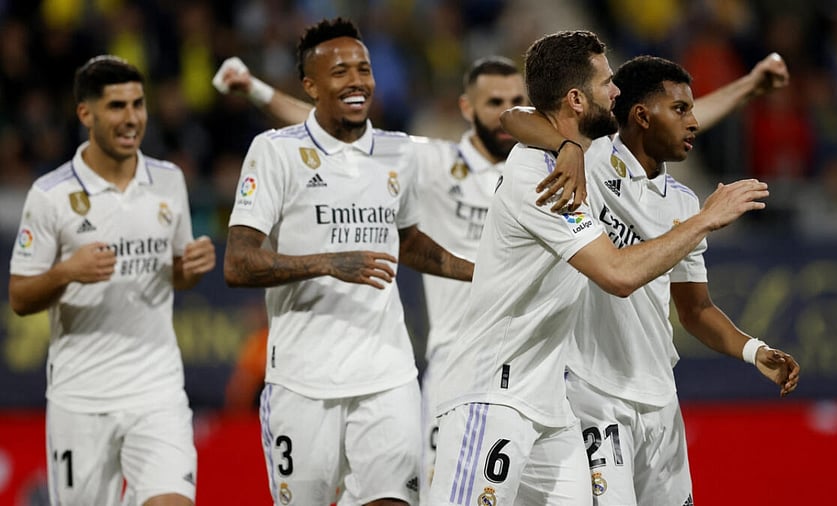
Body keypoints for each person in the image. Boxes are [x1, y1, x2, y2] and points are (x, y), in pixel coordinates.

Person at [428, 30, 769, 505]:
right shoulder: (543, 175)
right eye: (608, 82)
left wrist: (569, 144)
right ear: (575, 97)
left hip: (550, 404)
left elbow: (525, 117)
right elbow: (618, 274)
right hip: (493, 389)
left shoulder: (580, 156)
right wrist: (706, 219)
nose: (616, 92)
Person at [214, 53, 529, 496]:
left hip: (533, 368)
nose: (507, 113)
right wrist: (255, 89)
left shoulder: (541, 172)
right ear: (466, 108)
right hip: (458, 364)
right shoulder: (431, 162)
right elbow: (323, 128)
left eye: (518, 101)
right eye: (495, 101)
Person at [501, 55, 801, 505]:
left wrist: (753, 350)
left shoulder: (682, 202)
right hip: (592, 394)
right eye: (681, 110)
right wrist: (566, 148)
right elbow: (515, 117)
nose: (693, 122)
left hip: (660, 398)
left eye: (692, 110)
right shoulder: (594, 157)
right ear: (642, 116)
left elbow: (695, 310)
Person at [8, 55, 216, 506]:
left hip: (157, 388)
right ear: (86, 113)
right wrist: (68, 271)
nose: (132, 118)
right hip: (82, 396)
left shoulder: (168, 180)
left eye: (138, 104)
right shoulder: (51, 195)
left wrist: (191, 268)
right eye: (117, 106)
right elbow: (20, 297)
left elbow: (175, 274)